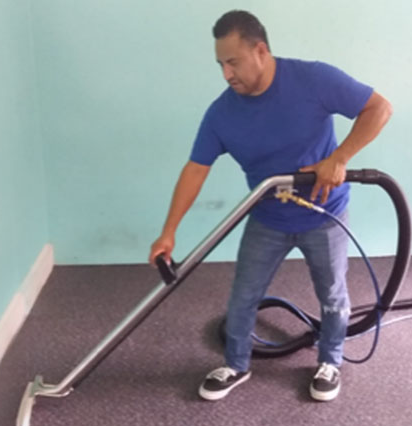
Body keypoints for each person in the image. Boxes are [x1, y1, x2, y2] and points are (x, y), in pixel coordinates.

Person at [148, 10, 392, 402]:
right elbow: (196, 170)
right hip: (267, 217)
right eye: (220, 65)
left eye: (233, 62)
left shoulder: (313, 79)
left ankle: (330, 360)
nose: (226, 74)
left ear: (260, 50)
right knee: (244, 295)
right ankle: (236, 364)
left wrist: (340, 156)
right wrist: (168, 231)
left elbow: (379, 108)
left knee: (332, 294)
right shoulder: (222, 112)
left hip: (323, 214)